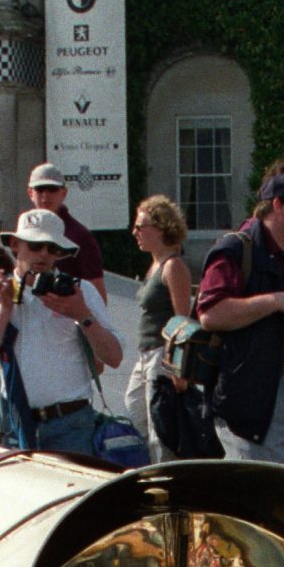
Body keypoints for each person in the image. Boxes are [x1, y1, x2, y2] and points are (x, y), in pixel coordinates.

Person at [197, 171, 284, 467]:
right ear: (278, 205)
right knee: (259, 491)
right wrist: (276, 301)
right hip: (254, 393)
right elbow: (210, 313)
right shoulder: (236, 249)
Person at [0, 210, 122, 458]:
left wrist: (82, 314)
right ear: (15, 245)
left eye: (52, 248)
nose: (44, 254)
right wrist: (4, 309)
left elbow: (114, 357)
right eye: (36, 245)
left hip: (71, 424)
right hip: (16, 421)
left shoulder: (79, 291)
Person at [124, 195, 192, 459]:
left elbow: (182, 321)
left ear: (161, 228)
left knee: (159, 428)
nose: (135, 233)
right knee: (134, 409)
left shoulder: (173, 266)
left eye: (140, 227)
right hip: (145, 354)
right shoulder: (154, 266)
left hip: (162, 354)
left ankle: (164, 472)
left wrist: (178, 367)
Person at [25, 163, 106, 285]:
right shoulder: (24, 233)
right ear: (30, 193)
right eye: (40, 189)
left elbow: (97, 291)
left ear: (64, 193)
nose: (45, 195)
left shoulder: (80, 236)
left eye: (52, 189)